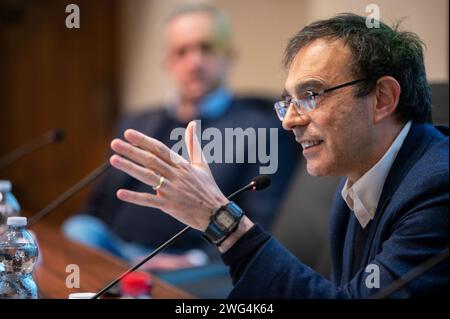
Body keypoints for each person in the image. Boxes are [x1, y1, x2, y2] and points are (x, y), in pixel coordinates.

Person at [109, 13, 449, 298]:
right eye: (288, 102)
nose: (289, 121)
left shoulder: (438, 187)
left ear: (383, 98)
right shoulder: (356, 182)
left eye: (311, 94)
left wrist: (221, 220)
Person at [62, 4, 298, 278]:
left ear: (229, 56)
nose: (195, 61)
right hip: (116, 250)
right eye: (182, 51)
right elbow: (98, 205)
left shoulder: (260, 127)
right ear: (168, 62)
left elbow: (261, 222)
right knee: (79, 229)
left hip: (188, 261)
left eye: (206, 48)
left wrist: (195, 259)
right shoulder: (137, 122)